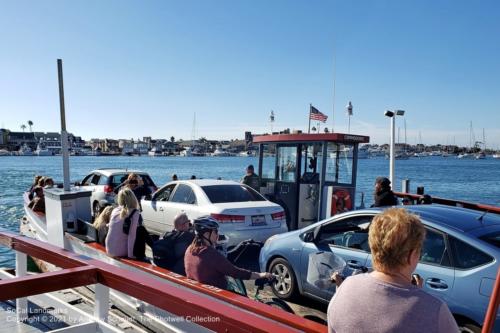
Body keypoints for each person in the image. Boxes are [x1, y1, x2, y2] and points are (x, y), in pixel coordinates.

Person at [327, 208, 459, 333]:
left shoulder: (344, 289)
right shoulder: (435, 311)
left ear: (373, 246)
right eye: (420, 251)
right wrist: (419, 298)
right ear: (411, 255)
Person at [184, 216, 271, 290]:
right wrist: (260, 275)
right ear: (206, 234)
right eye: (215, 231)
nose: (218, 235)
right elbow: (235, 272)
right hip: (218, 299)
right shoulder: (210, 254)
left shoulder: (189, 250)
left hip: (199, 294)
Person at [106, 188, 152, 260]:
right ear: (133, 198)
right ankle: (153, 250)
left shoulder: (115, 210)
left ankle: (154, 248)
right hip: (120, 252)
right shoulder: (134, 212)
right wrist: (131, 255)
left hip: (109, 249)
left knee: (140, 230)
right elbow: (131, 235)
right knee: (141, 230)